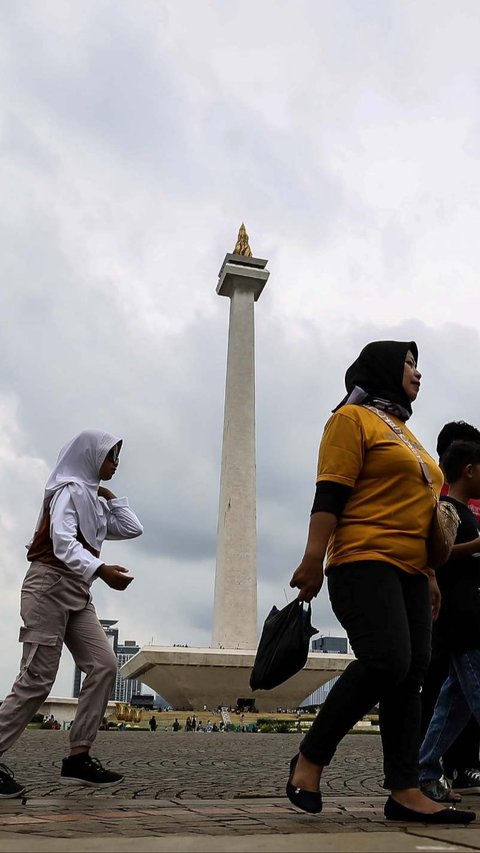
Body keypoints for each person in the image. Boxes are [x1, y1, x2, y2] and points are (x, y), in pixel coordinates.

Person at [288, 340, 475, 824]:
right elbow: (330, 491)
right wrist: (312, 558)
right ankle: (310, 759)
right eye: (409, 363)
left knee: (410, 675)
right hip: (362, 559)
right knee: (386, 660)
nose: (417, 372)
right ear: (385, 369)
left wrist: (431, 572)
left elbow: (425, 514)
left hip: (413, 571)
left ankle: (405, 790)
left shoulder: (408, 435)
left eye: (418, 364)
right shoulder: (351, 420)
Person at [0, 429, 143, 798]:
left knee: (104, 664)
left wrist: (112, 497)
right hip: (48, 586)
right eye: (111, 457)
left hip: (77, 593)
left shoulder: (93, 500)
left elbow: (131, 528)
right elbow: (63, 542)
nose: (116, 465)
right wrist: (101, 570)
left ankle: (78, 757)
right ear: (91, 457)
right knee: (37, 678)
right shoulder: (67, 492)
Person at [420, 422, 480, 802]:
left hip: (467, 620)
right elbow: (435, 556)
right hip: (462, 622)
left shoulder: (463, 512)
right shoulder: (446, 511)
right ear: (469, 470)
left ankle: (424, 771)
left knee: (452, 706)